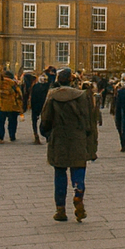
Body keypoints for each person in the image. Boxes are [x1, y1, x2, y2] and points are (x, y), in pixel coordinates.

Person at [40, 68, 98, 221]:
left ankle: (60, 209)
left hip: (59, 138)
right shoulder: (82, 96)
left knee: (60, 173)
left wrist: (46, 133)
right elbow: (89, 119)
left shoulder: (53, 96)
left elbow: (45, 119)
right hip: (77, 138)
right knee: (78, 169)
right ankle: (78, 193)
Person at [0, 70, 22, 142]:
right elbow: (19, 95)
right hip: (12, 105)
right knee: (12, 121)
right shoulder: (13, 84)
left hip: (1, 105)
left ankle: (1, 137)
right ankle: (12, 136)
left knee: (1, 122)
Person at [28, 69, 53, 146]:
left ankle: (36, 134)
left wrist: (31, 106)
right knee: (45, 121)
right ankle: (46, 135)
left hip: (35, 105)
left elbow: (32, 97)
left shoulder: (35, 86)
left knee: (34, 121)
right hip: (44, 105)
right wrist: (48, 73)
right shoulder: (46, 86)